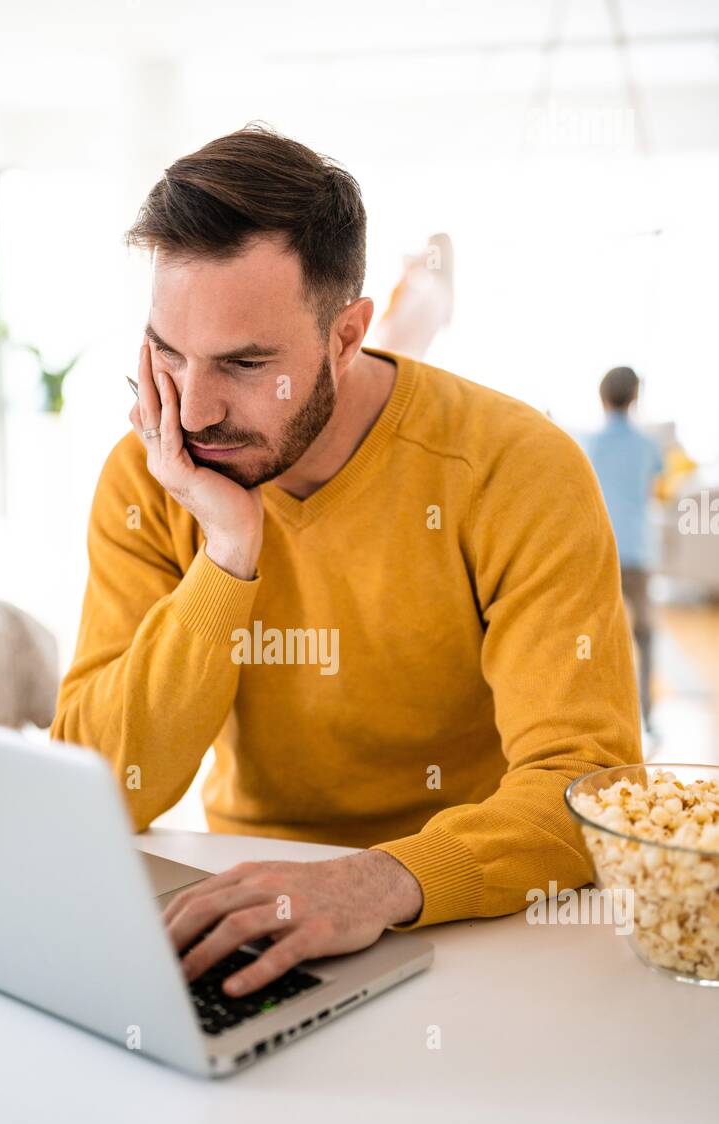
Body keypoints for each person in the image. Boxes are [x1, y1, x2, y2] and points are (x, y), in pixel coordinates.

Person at [50, 123, 642, 998]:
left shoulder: (515, 466)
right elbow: (101, 793)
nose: (197, 411)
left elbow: (587, 788)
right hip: (247, 897)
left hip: (471, 916)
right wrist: (227, 556)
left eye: (247, 363)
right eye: (168, 355)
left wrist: (382, 879)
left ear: (346, 333)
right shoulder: (150, 475)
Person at [581, 367, 664, 732]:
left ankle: (597, 717)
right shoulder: (648, 446)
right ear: (635, 398)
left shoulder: (589, 444)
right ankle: (646, 716)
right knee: (644, 635)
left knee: (596, 638)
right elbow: (653, 490)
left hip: (599, 551)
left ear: (602, 397)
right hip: (638, 550)